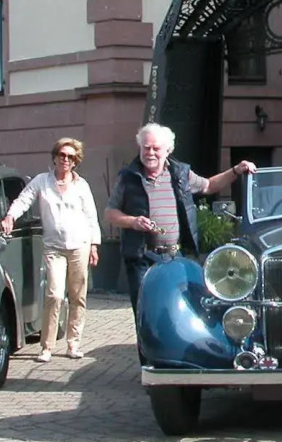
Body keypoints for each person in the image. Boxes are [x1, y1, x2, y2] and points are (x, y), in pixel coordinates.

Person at [104, 123, 256, 318]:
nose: (150, 153)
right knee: (145, 311)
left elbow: (209, 185)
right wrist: (132, 221)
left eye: (156, 148)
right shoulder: (128, 177)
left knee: (176, 308)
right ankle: (145, 349)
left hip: (174, 256)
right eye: (146, 148)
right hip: (141, 257)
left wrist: (236, 170)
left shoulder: (180, 174)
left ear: (167, 151)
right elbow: (110, 212)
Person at [0, 137, 101, 362]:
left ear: (76, 161)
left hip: (80, 245)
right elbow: (23, 199)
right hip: (53, 247)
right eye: (62, 155)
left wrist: (94, 244)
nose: (65, 160)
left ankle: (73, 343)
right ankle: (47, 346)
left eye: (71, 157)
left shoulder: (81, 185)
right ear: (54, 157)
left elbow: (91, 216)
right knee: (54, 294)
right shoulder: (42, 181)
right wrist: (10, 216)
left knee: (77, 296)